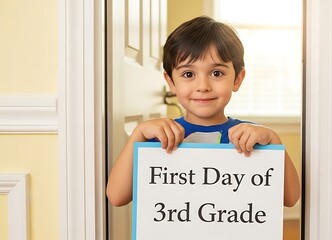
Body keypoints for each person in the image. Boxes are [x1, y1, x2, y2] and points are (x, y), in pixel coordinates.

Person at [106, 16, 300, 208]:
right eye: (188, 74)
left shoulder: (252, 138)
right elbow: (116, 197)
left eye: (217, 73)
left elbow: (290, 199)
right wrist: (138, 134)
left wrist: (274, 141)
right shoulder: (160, 137)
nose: (203, 86)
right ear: (171, 82)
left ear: (237, 79)